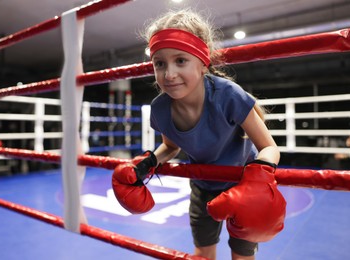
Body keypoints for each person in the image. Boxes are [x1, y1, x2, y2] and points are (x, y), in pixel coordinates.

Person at [112, 9, 286, 260]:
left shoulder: (228, 95)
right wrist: (148, 162)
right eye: (160, 63)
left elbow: (270, 147)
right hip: (202, 187)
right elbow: (171, 147)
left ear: (203, 63)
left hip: (243, 182)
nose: (169, 74)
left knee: (242, 256)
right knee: (203, 254)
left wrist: (258, 180)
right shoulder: (160, 109)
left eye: (180, 60)